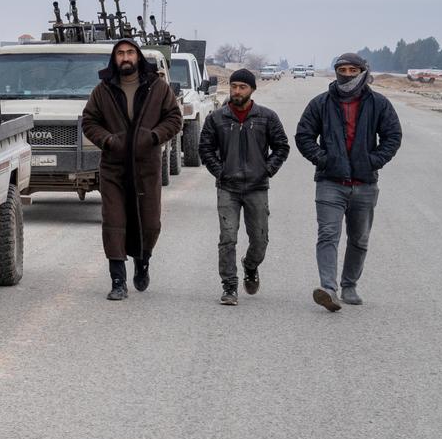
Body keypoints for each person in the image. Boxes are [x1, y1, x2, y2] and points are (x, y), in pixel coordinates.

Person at [295, 52, 402, 311]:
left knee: (359, 239)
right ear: (336, 72)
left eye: (353, 70)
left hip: (365, 184)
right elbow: (304, 135)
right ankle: (328, 289)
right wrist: (324, 159)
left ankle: (349, 285)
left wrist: (372, 161)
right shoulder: (320, 103)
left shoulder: (379, 104)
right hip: (330, 182)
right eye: (342, 70)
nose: (347, 75)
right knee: (328, 235)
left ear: (363, 72)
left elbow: (393, 136)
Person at [81, 39, 184, 300]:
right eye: (120, 53)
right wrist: (107, 140)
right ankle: (118, 281)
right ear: (114, 58)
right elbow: (89, 121)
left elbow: (174, 118)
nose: (125, 57)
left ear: (137, 56)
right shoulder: (103, 90)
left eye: (129, 52)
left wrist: (153, 136)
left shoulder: (157, 87)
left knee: (149, 222)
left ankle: (143, 261)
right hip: (114, 167)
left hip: (146, 166)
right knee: (114, 221)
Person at [197, 69, 291, 306]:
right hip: (227, 188)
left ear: (252, 90)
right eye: (234, 86)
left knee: (260, 240)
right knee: (227, 238)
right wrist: (220, 171)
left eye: (242, 87)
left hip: (257, 188)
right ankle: (229, 286)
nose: (237, 91)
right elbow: (205, 148)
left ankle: (250, 265)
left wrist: (266, 169)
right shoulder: (216, 118)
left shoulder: (267, 117)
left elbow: (282, 146)